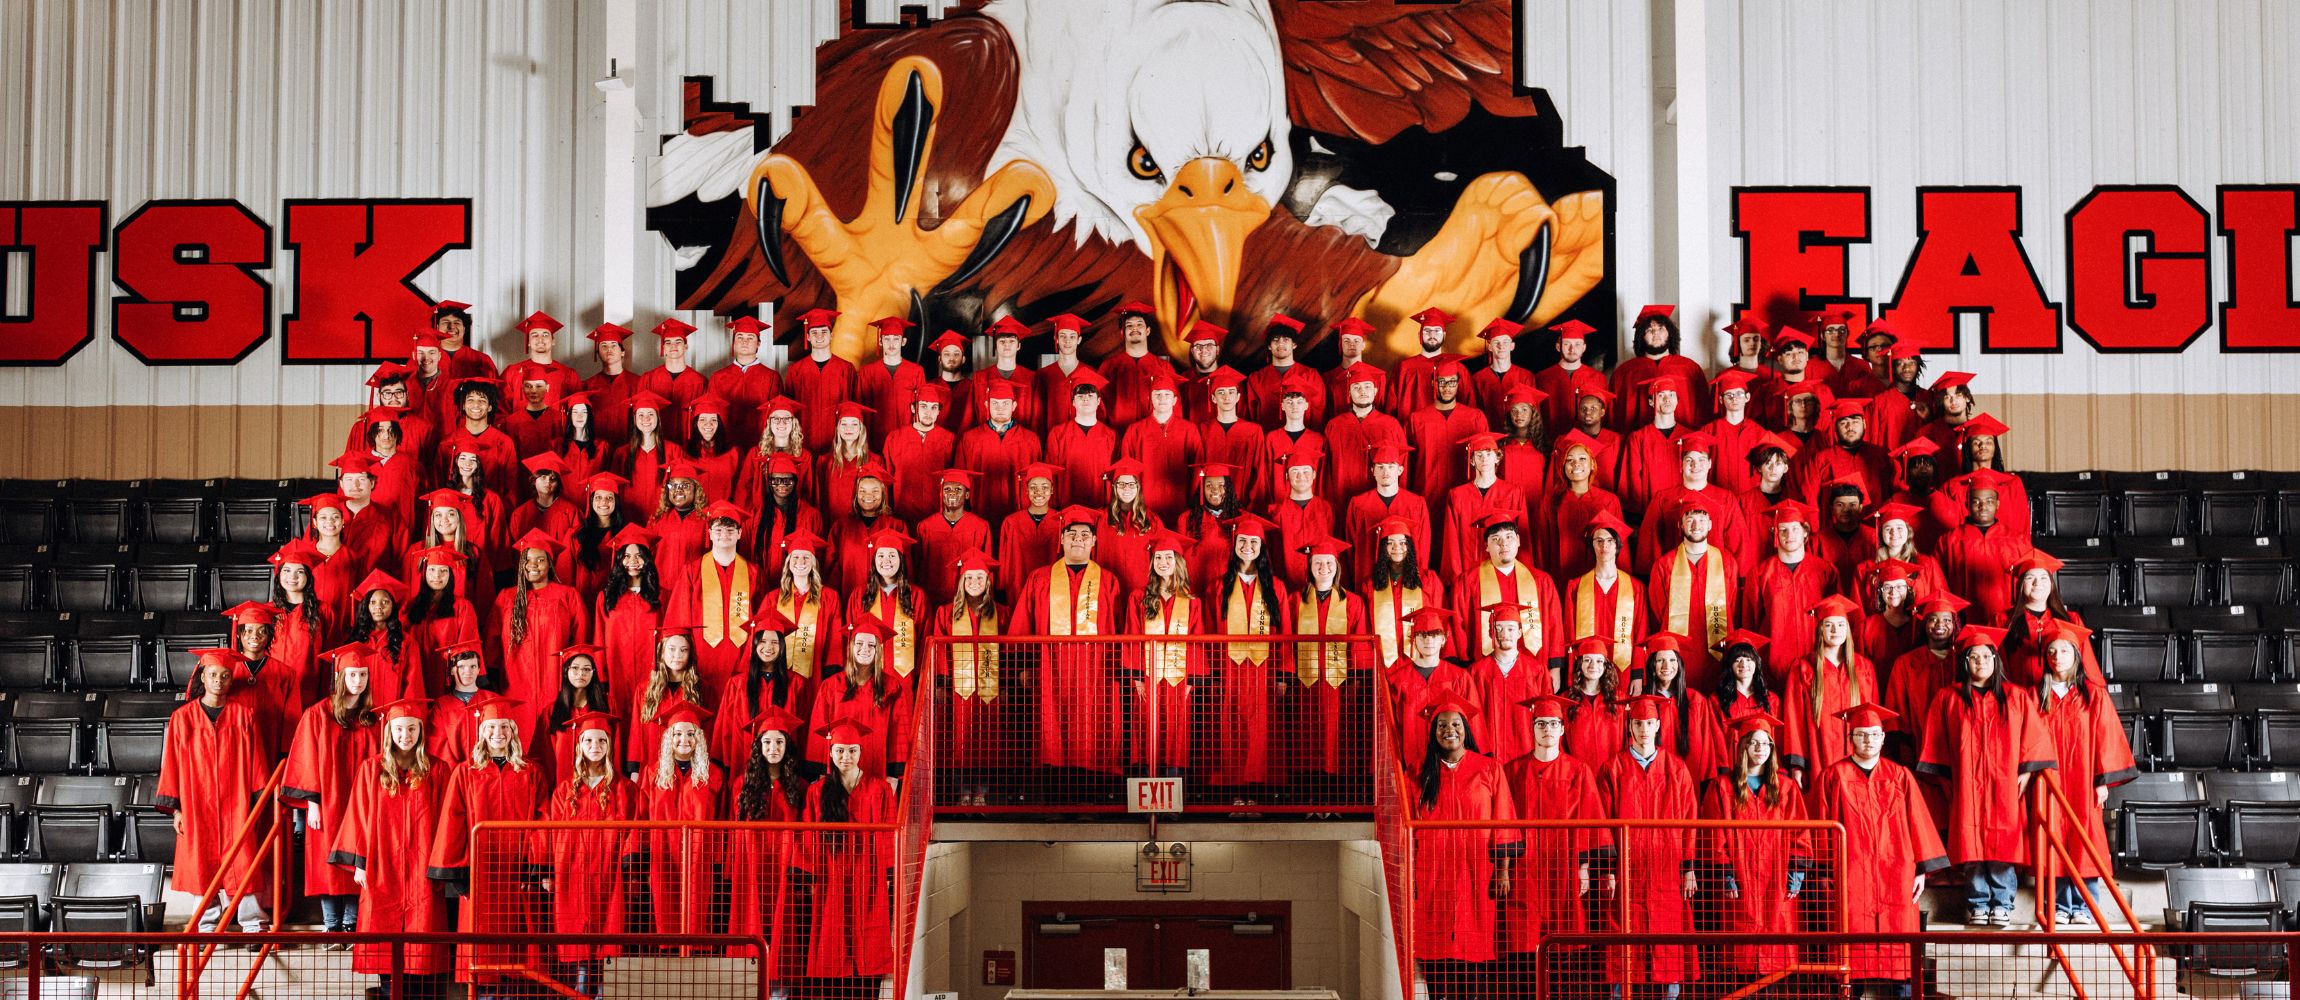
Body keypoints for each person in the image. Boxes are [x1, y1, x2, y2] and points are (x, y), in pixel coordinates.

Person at [1918, 626, 2056, 926]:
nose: (1981, 661)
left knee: (2003, 841)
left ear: (1996, 660)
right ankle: (1978, 902)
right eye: (1974, 656)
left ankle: (2003, 902)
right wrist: (1949, 782)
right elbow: (1937, 746)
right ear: (1964, 662)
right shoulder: (1948, 699)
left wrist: (2027, 774)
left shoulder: (2016, 697)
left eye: (1986, 656)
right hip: (1966, 785)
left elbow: (2034, 739)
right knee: (1971, 841)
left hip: (2005, 784)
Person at [1811, 704, 1950, 992]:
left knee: (1898, 939)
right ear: (1851, 738)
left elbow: (1918, 822)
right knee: (1851, 940)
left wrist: (1922, 870)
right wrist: (1826, 871)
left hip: (1896, 870)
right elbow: (1820, 826)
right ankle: (1851, 990)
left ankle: (1902, 990)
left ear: (1884, 738)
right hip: (1851, 871)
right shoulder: (1833, 776)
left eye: (1874, 734)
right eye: (1861, 735)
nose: (1868, 740)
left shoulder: (1899, 775)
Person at [329, 698, 454, 998]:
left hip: (423, 868)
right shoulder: (371, 769)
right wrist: (360, 862)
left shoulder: (438, 770)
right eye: (399, 729)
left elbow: (448, 820)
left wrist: (442, 865)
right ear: (389, 731)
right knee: (385, 940)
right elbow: (358, 815)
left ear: (421, 733)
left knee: (423, 938)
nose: (405, 735)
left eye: (412, 728)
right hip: (383, 866)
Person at [429, 693, 549, 993]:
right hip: (479, 875)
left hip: (517, 875)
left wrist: (533, 867)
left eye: (505, 727)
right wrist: (459, 875)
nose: (498, 734)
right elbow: (452, 823)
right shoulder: (465, 772)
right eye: (492, 728)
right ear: (483, 732)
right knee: (480, 954)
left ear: (513, 731)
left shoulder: (530, 772)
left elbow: (542, 820)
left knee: (516, 953)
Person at [1409, 695, 1522, 998]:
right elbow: (1406, 826)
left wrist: (1503, 871)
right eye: (1442, 725)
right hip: (1432, 872)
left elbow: (1503, 821)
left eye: (1456, 724)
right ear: (1433, 732)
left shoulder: (1489, 768)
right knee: (1436, 960)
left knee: (1472, 964)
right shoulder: (1419, 772)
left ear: (1465, 729)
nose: (1450, 730)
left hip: (1477, 871)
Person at [159, 649, 274, 934]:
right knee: (201, 862)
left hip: (236, 804)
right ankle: (207, 924)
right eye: (213, 675)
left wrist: (257, 803)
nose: (219, 681)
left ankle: (252, 924)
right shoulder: (182, 718)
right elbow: (171, 764)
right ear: (202, 677)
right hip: (197, 804)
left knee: (243, 861)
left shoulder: (243, 716)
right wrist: (177, 808)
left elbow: (257, 760)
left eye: (224, 676)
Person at [1593, 694, 1701, 996]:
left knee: (1668, 929)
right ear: (1630, 726)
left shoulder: (1676, 769)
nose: (1644, 729)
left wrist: (1688, 868)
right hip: (1625, 868)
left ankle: (1671, 992)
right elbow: (1603, 822)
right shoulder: (1613, 767)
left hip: (1667, 868)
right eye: (1638, 723)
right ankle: (1619, 992)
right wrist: (1607, 869)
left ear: (1658, 725)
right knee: (1623, 931)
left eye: (1650, 723)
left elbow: (1690, 821)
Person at [2033, 620, 2136, 925]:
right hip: (2048, 782)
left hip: (2083, 779)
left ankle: (2084, 906)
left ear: (2076, 655)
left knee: (2086, 840)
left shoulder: (2093, 695)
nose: (2057, 656)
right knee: (2055, 838)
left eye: (2064, 650)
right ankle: (2060, 906)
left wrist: (2103, 780)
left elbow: (2106, 738)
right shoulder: (2035, 696)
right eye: (2051, 650)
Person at [1498, 694, 1611, 970]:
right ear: (1532, 727)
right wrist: (1504, 867)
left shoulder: (1578, 771)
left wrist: (1584, 866)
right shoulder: (1512, 771)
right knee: (1524, 939)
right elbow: (1503, 821)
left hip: (1564, 864)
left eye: (1553, 724)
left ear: (1562, 729)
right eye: (1541, 724)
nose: (1547, 729)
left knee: (1563, 938)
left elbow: (1590, 818)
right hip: (1524, 866)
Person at [1014, 507, 1127, 780]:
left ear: (1094, 542)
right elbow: (1022, 625)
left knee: (1094, 725)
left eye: (1085, 534)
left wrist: (1121, 668)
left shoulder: (1109, 581)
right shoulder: (1039, 578)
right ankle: (1054, 797)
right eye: (1071, 533)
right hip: (1050, 667)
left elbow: (1122, 627)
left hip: (1098, 669)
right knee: (1052, 726)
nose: (1078, 539)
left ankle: (1092, 797)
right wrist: (1025, 665)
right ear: (1061, 539)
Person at [1697, 712, 1811, 982]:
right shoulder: (1722, 787)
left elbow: (1802, 833)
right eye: (1754, 742)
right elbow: (1715, 837)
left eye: (1766, 744)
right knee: (1741, 960)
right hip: (1739, 885)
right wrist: (1726, 876)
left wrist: (1795, 876)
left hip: (1776, 883)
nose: (1760, 749)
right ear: (1743, 746)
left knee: (1774, 963)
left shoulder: (1785, 788)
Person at [536, 711, 642, 998]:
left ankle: (605, 992)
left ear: (609, 746)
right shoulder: (564, 791)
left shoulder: (625, 789)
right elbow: (549, 831)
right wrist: (547, 872)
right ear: (579, 745)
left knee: (609, 935)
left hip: (611, 873)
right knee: (578, 943)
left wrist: (630, 872)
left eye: (601, 740)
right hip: (572, 874)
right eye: (589, 740)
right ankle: (580, 991)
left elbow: (636, 829)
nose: (595, 746)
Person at [283, 645, 380, 940]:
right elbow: (305, 756)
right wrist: (311, 802)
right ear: (340, 676)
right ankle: (331, 924)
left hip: (361, 802)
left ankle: (351, 923)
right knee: (325, 860)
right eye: (352, 674)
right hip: (327, 799)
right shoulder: (317, 714)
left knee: (358, 854)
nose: (358, 680)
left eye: (362, 675)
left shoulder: (372, 718)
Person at [800, 715, 899, 990]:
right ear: (830, 752)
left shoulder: (879, 789)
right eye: (840, 751)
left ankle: (865, 983)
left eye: (852, 750)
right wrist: (809, 876)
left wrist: (888, 872)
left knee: (869, 928)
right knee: (832, 926)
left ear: (861, 752)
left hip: (868, 869)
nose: (846, 756)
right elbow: (808, 832)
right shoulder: (817, 791)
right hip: (830, 869)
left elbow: (889, 832)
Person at [726, 709, 811, 989]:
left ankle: (779, 989)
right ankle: (748, 986)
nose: (773, 749)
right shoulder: (742, 785)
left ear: (788, 747)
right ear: (757, 747)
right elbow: (733, 833)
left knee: (783, 924)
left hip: (784, 869)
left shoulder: (799, 787)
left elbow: (804, 832)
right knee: (750, 921)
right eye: (767, 743)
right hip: (751, 868)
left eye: (779, 742)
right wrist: (731, 868)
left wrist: (797, 866)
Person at [1208, 513, 1291, 798]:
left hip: (1263, 670)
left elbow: (1285, 633)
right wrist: (1214, 673)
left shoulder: (1275, 587)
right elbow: (1209, 631)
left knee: (1260, 730)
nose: (1247, 546)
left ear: (1261, 547)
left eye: (1253, 541)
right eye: (1242, 540)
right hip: (1229, 670)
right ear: (1234, 544)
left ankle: (1258, 792)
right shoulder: (1219, 586)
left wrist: (1282, 675)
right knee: (1230, 728)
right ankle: (1234, 792)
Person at [640, 696, 723, 935]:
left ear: (699, 738)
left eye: (690, 734)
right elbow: (643, 817)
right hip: (662, 852)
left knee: (696, 910)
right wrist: (643, 861)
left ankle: (694, 955)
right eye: (677, 733)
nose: (683, 740)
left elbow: (720, 819)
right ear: (668, 738)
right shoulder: (652, 773)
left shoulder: (713, 776)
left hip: (699, 855)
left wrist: (717, 860)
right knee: (665, 908)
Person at [1292, 539, 1372, 787]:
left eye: (1328, 562)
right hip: (1303, 684)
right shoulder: (1296, 599)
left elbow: (1360, 644)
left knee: (1339, 738)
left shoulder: (1354, 601)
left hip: (1340, 685)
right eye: (1317, 562)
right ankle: (1309, 797)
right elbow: (1286, 641)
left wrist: (1356, 679)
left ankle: (1334, 795)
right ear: (1309, 566)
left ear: (1337, 566)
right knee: (1306, 736)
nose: (1323, 567)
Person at [662, 501, 760, 700]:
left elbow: (760, 622)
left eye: (731, 528)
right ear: (709, 533)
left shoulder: (753, 573)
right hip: (700, 661)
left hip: (742, 659)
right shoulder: (692, 571)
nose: (724, 533)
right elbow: (678, 621)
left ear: (740, 533)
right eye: (719, 529)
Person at [1782, 595, 1878, 786]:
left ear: (1848, 630)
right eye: (1829, 625)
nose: (1835, 631)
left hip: (1857, 758)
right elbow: (1794, 719)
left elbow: (1872, 718)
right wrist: (1797, 765)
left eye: (1841, 625)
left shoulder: (1864, 668)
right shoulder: (1802, 668)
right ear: (1820, 630)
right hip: (1818, 756)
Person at [1739, 501, 1842, 677]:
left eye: (1795, 528)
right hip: (1773, 666)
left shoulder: (1825, 571)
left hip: (1818, 663)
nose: (1789, 535)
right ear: (1775, 534)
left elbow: (1838, 619)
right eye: (1783, 529)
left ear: (1805, 532)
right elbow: (1751, 625)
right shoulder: (1759, 574)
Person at [1646, 495, 1739, 690]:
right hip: (1677, 661)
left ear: (1711, 524)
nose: (1696, 525)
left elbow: (1732, 604)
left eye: (1702, 519)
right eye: (1690, 519)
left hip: (1717, 655)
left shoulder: (1727, 563)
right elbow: (1657, 613)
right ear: (1680, 525)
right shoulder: (1664, 566)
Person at [1129, 533, 1202, 779]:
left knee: (1177, 731)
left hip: (1178, 679)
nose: (1162, 562)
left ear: (1178, 562)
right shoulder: (1139, 598)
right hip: (1148, 678)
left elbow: (1197, 642)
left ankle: (1173, 799)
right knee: (1147, 728)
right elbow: (1132, 636)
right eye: (1158, 557)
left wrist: (1191, 680)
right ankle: (1149, 793)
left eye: (1168, 557)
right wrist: (1137, 676)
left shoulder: (1192, 602)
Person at [935, 551, 1006, 805]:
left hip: (991, 689)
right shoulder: (946, 614)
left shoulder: (1001, 613)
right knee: (961, 741)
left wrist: (1006, 684)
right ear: (961, 583)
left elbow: (1009, 652)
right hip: (959, 690)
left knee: (987, 740)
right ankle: (963, 792)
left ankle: (982, 793)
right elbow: (939, 652)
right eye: (969, 578)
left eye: (980, 577)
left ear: (988, 582)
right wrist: (942, 684)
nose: (974, 582)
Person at [807, 618, 915, 781]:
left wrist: (893, 774)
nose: (865, 649)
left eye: (871, 645)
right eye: (859, 643)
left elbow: (898, 732)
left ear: (878, 650)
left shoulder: (892, 687)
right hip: (838, 774)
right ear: (851, 647)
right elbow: (819, 729)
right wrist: (821, 770)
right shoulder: (831, 686)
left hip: (877, 772)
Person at [1452, 514, 1567, 664]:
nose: (1503, 544)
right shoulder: (1467, 582)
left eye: (1509, 537)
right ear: (1486, 545)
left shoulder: (1541, 581)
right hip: (1483, 672)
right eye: (1495, 539)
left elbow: (1555, 626)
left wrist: (1555, 666)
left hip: (1534, 672)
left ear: (1518, 541)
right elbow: (1458, 627)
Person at [1935, 471, 2030, 627]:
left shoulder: (2017, 540)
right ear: (1966, 505)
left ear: (1998, 505)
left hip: (2008, 621)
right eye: (1976, 501)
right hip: (1964, 621)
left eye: (1989, 501)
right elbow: (1939, 584)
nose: (1983, 506)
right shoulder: (1949, 541)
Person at [2001, 551, 2108, 690]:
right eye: (2030, 577)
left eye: (2044, 578)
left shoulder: (2071, 620)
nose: (2037, 583)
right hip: (2021, 699)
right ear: (2020, 584)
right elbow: (2000, 668)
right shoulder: (2003, 620)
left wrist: (2099, 693)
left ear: (2052, 584)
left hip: (2060, 701)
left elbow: (2088, 664)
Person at [1381, 608, 1471, 773]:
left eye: (1434, 634)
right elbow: (1389, 726)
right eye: (1421, 634)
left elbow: (1472, 722)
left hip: (1450, 762)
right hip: (1410, 761)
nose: (1428, 640)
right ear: (1413, 639)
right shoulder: (1397, 680)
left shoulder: (1459, 677)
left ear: (1443, 639)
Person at [1883, 594, 1969, 761]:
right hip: (1918, 748)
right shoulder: (1906, 663)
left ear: (1955, 624)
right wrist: (1904, 749)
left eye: (1947, 620)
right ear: (1924, 624)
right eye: (1933, 619)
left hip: (1959, 746)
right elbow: (1897, 709)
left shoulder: (1964, 660)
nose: (1940, 625)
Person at [1634, 633, 1730, 781]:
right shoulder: (1642, 703)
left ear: (1679, 664)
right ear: (1652, 665)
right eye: (1660, 660)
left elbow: (1706, 750)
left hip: (1689, 783)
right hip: (1652, 783)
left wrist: (1706, 784)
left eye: (1672, 660)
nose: (1667, 666)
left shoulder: (1696, 701)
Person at [1119, 370, 1207, 523]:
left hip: (1181, 504)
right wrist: (1133, 504)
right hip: (1144, 505)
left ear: (1175, 400)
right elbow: (1127, 472)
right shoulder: (1135, 431)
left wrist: (1192, 504)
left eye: (1167, 395)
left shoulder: (1189, 430)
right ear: (1150, 398)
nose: (1162, 399)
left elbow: (1197, 469)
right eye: (1157, 394)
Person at [952, 380, 1044, 526]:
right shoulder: (970, 439)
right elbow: (959, 481)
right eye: (995, 403)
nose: (1000, 408)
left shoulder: (1030, 440)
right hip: (979, 513)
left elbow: (1039, 481)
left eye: (1005, 403)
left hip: (1020, 515)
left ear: (1014, 406)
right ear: (987, 405)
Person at [1344, 444, 1436, 587]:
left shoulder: (1416, 503)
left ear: (1400, 470)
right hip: (1369, 580)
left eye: (1391, 466)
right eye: (1380, 467)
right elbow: (1351, 548)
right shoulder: (1358, 504)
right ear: (1372, 471)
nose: (1385, 472)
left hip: (1407, 579)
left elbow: (1423, 545)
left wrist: (1417, 576)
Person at [1441, 433, 1530, 580]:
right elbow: (1451, 542)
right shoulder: (1457, 495)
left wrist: (1521, 575)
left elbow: (1523, 538)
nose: (1484, 459)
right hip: (1468, 573)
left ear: (1497, 458)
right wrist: (1457, 578)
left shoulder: (1513, 493)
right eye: (1479, 455)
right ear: (1472, 460)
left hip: (1504, 572)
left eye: (1489, 453)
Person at [1567, 513, 1647, 674]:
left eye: (1610, 540)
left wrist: (1638, 674)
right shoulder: (1575, 586)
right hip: (1587, 670)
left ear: (1617, 545)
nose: (1604, 546)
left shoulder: (1635, 587)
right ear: (1592, 545)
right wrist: (1572, 671)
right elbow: (1569, 633)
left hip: (1622, 669)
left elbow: (1641, 633)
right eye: (1599, 541)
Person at [594, 523, 665, 704]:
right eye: (626, 556)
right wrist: (601, 678)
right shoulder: (606, 597)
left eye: (639, 556)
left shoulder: (662, 596)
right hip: (616, 673)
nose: (632, 562)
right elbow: (599, 640)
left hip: (652, 673)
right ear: (619, 560)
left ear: (647, 559)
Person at [1611, 306, 1710, 431]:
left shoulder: (1690, 369)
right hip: (1638, 445)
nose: (1655, 333)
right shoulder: (1624, 372)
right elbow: (1614, 416)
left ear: (1670, 333)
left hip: (1683, 443)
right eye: (1649, 330)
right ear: (1640, 336)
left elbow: (1704, 411)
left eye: (1661, 328)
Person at [531, 645, 617, 788]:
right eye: (575, 668)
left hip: (600, 787)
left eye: (586, 669)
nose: (580, 673)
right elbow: (543, 755)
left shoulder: (607, 706)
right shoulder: (552, 711)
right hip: (562, 789)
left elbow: (615, 747)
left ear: (593, 673)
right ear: (566, 671)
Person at [1363, 515, 1445, 666]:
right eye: (1390, 543)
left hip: (1421, 663)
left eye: (1402, 542)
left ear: (1410, 547)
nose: (1397, 548)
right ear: (1383, 548)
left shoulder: (1428, 580)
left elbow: (1440, 622)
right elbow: (1366, 628)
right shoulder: (1371, 585)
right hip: (1383, 665)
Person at [761, 529, 842, 680]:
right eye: (795, 557)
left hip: (814, 677)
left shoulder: (829, 598)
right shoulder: (772, 599)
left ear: (813, 563)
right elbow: (760, 640)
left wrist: (830, 675)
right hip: (777, 678)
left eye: (806, 557)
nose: (800, 562)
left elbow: (834, 643)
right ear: (788, 562)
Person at [1541, 434, 1625, 580]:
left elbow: (1620, 550)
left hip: (1600, 582)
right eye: (1569, 460)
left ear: (1592, 463)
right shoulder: (1549, 502)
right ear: (1562, 466)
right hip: (1560, 579)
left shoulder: (1609, 501)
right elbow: (1541, 547)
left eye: (1582, 458)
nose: (1576, 464)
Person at [1321, 362, 1407, 502]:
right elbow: (1326, 471)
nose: (1363, 391)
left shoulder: (1391, 425)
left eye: (1368, 386)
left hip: (1380, 498)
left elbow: (1401, 466)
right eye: (1356, 387)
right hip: (1342, 496)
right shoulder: (1335, 426)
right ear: (1348, 392)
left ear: (1375, 391)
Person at [627, 626, 706, 775]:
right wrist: (634, 770)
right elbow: (636, 733)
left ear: (691, 654)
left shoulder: (698, 689)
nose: (677, 655)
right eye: (672, 649)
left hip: (688, 769)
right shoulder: (645, 689)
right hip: (651, 768)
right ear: (661, 652)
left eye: (684, 650)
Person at [915, 468, 994, 608]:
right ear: (941, 493)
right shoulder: (925, 527)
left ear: (967, 495)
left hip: (970, 597)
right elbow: (918, 568)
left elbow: (987, 567)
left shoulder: (980, 527)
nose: (952, 493)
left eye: (958, 489)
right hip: (932, 597)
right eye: (947, 489)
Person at [782, 308, 859, 450]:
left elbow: (855, 405)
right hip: (804, 438)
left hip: (839, 440)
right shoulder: (796, 370)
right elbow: (789, 409)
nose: (819, 336)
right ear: (808, 337)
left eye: (824, 332)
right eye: (814, 332)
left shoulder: (846, 369)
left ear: (831, 335)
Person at [885, 384, 958, 523]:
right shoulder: (895, 438)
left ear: (939, 412)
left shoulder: (948, 439)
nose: (928, 412)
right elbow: (887, 477)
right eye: (923, 406)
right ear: (913, 408)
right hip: (902, 511)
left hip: (938, 512)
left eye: (934, 407)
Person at [855, 316, 927, 446]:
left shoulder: (916, 371)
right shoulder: (867, 372)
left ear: (903, 341)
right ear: (880, 341)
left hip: (907, 437)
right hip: (875, 437)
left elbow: (921, 407)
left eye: (896, 339)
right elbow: (860, 407)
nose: (891, 344)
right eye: (887, 339)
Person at [1530, 319, 1608, 434]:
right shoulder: (1542, 378)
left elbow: (1603, 416)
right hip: (1551, 442)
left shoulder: (1598, 378)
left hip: (1586, 444)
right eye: (1567, 344)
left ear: (1584, 348)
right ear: (1558, 347)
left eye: (1577, 344)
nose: (1572, 349)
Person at [1560, 637, 1625, 771]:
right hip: (1577, 775)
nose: (1593, 665)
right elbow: (1561, 743)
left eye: (1599, 661)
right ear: (1579, 664)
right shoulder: (1566, 700)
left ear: (1605, 666)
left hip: (1612, 774)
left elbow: (1627, 741)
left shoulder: (1620, 699)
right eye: (1587, 660)